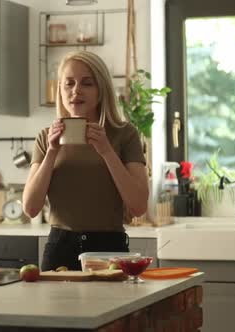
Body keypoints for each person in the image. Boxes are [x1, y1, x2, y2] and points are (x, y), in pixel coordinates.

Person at [22, 51, 149, 271]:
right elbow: (31, 208)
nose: (76, 91)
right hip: (59, 248)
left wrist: (107, 151)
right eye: (68, 84)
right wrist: (52, 151)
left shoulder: (125, 134)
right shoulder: (46, 138)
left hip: (109, 251)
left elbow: (138, 206)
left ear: (101, 90)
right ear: (60, 90)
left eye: (87, 83)